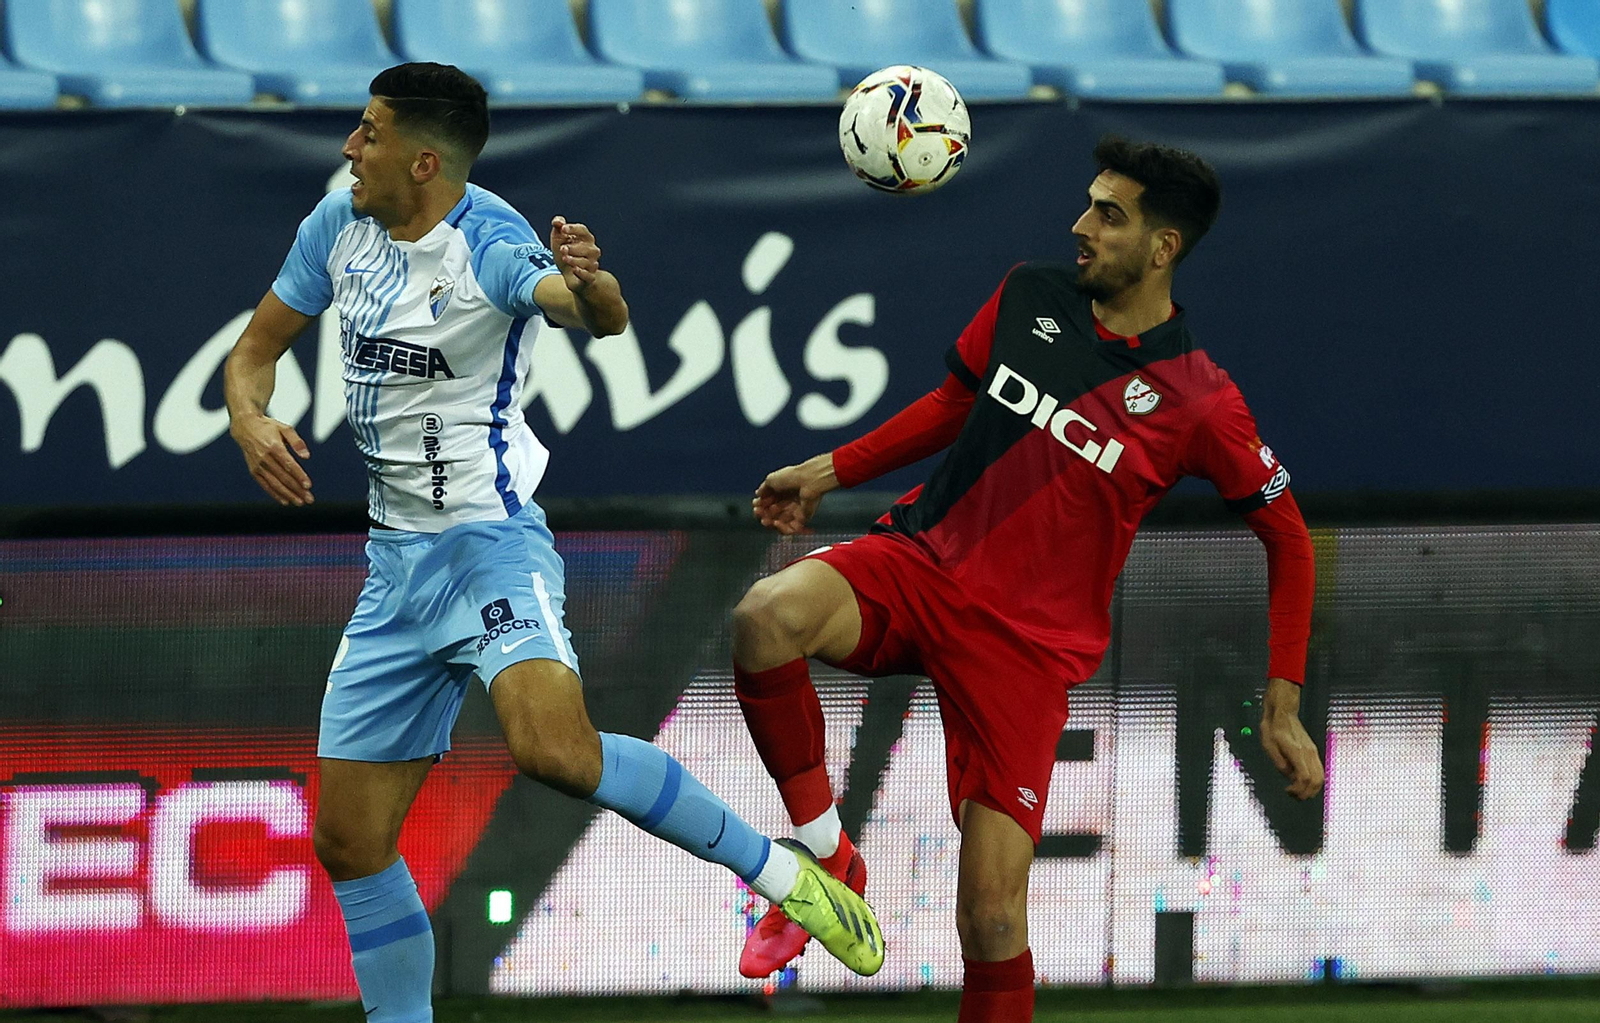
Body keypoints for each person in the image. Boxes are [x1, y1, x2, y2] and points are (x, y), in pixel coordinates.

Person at [222, 63, 881, 1023]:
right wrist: (249, 419)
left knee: (555, 752)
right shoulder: (339, 225)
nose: (348, 148)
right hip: (395, 567)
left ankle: (784, 875)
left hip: (489, 545)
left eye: (367, 132)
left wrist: (594, 284)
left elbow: (593, 315)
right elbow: (255, 350)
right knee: (352, 843)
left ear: (425, 158)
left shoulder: (489, 242)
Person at [730, 136, 1326, 1021]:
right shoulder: (1029, 293)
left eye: (1109, 216)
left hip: (1025, 649)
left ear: (1163, 247)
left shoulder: (1199, 399)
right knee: (763, 617)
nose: (1081, 226)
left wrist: (1280, 702)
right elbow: (952, 404)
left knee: (992, 916)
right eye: (1088, 204)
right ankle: (825, 855)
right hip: (920, 561)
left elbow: (1290, 540)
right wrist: (827, 471)